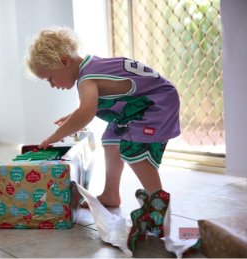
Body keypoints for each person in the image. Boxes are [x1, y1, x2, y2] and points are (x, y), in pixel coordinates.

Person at [26, 27, 180, 208]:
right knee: (111, 139)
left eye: (50, 78)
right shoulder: (92, 66)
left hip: (157, 103)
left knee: (134, 150)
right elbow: (92, 104)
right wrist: (72, 117)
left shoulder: (87, 78)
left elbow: (86, 113)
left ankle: (158, 204)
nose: (52, 85)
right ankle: (110, 194)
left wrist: (54, 137)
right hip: (140, 105)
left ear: (64, 61)